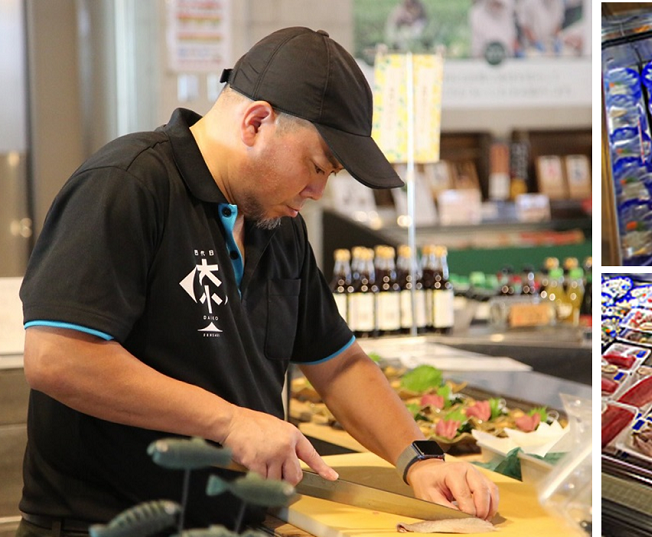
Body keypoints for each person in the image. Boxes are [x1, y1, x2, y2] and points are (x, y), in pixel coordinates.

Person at [17, 27, 499, 535]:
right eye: (316, 166)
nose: (317, 190)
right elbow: (57, 356)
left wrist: (421, 460)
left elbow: (338, 364)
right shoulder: (128, 184)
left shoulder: (279, 225)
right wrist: (228, 421)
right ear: (256, 122)